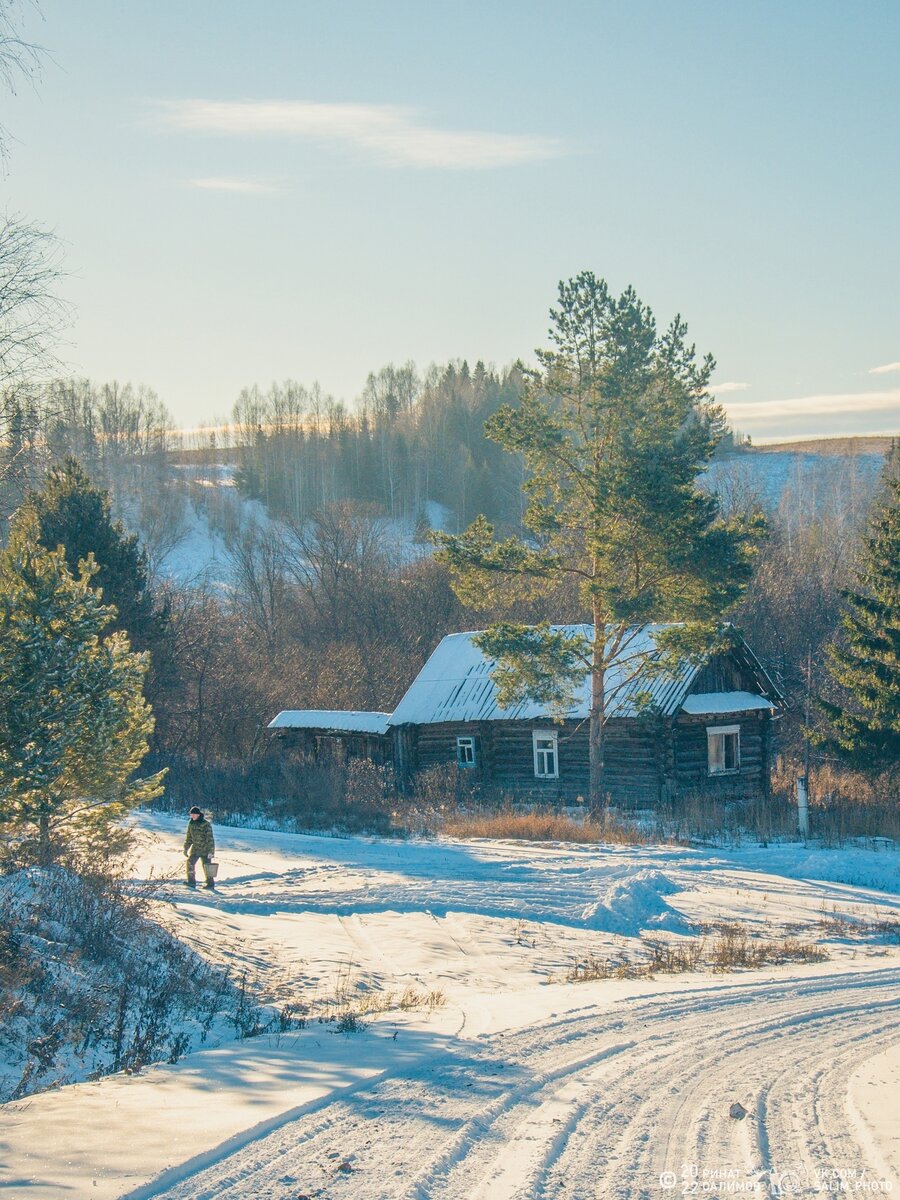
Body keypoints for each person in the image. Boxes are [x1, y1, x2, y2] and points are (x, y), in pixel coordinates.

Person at [183, 805, 216, 889]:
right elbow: (189, 837)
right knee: (190, 863)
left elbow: (210, 839)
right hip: (195, 849)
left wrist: (211, 852)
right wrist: (186, 848)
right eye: (191, 814)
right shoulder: (191, 824)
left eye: (194, 814)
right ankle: (191, 882)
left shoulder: (205, 824)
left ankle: (210, 884)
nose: (192, 816)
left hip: (205, 849)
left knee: (207, 867)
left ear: (198, 815)